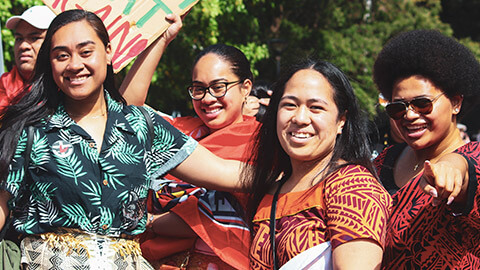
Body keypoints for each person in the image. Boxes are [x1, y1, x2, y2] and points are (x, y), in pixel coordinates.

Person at [0, 9, 244, 269]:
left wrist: (290, 169)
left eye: (85, 52)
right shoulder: (28, 130)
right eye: (62, 55)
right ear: (50, 63)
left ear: (108, 52)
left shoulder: (141, 125)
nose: (74, 64)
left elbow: (225, 172)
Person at [237, 58, 390, 269]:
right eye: (289, 105)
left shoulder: (353, 186)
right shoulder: (272, 187)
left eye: (316, 107)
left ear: (341, 121)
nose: (300, 118)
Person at [125, 44, 258, 269]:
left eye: (218, 87)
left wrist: (149, 222)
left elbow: (206, 214)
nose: (207, 98)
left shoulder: (260, 143)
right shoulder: (180, 131)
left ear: (245, 88)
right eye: (198, 89)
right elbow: (127, 112)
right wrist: (163, 40)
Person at [373, 29, 480, 269]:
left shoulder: (472, 159)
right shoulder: (381, 163)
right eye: (397, 108)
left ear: (455, 102)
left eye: (422, 103)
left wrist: (452, 170)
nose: (409, 115)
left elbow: (465, 169)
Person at [0, 6, 56, 114]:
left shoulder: (68, 87)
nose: (23, 46)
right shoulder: (4, 85)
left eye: (34, 38)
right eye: (19, 39)